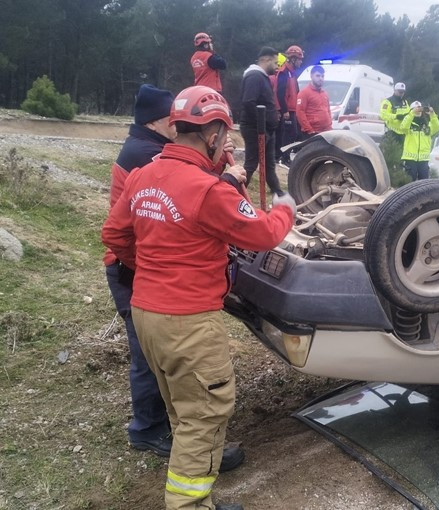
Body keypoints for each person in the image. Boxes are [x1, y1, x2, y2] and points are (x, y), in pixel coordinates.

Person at [102, 86, 296, 510]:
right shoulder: (208, 191)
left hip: (146, 313)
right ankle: (188, 505)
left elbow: (114, 235)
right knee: (205, 414)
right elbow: (264, 234)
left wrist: (153, 267)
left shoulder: (145, 174)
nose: (225, 145)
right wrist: (286, 208)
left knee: (182, 408)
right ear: (211, 133)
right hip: (188, 321)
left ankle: (193, 494)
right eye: (223, 136)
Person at [105, 84, 174, 458]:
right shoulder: (147, 154)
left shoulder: (144, 146)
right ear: (158, 121)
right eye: (174, 119)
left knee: (154, 349)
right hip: (129, 267)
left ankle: (157, 421)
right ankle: (147, 428)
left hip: (132, 264)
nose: (179, 126)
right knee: (147, 353)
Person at [239, 46, 284, 196]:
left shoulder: (262, 77)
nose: (277, 66)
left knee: (269, 164)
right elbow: (248, 102)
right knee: (251, 164)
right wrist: (261, 126)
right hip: (255, 129)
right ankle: (237, 193)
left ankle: (277, 192)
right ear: (266, 59)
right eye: (275, 62)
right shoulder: (254, 76)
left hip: (267, 129)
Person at [274, 45, 304, 162]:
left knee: (291, 134)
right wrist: (284, 110)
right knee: (289, 134)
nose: (301, 62)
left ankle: (282, 156)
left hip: (292, 109)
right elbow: (280, 93)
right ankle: (283, 157)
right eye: (299, 59)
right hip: (286, 110)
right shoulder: (284, 72)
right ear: (293, 59)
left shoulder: (292, 73)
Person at [397, 101, 439, 181]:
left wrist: (432, 114)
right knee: (410, 182)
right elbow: (403, 127)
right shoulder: (409, 124)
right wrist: (411, 114)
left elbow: (437, 127)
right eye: (416, 108)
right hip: (410, 159)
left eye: (420, 108)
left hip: (423, 160)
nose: (418, 110)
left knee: (423, 184)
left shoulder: (426, 125)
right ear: (411, 110)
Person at [296, 65, 332, 138]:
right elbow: (300, 112)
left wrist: (329, 125)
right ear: (311, 76)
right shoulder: (304, 93)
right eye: (318, 76)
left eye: (322, 76)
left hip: (326, 133)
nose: (320, 78)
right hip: (311, 133)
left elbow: (328, 110)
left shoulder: (324, 93)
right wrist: (309, 130)